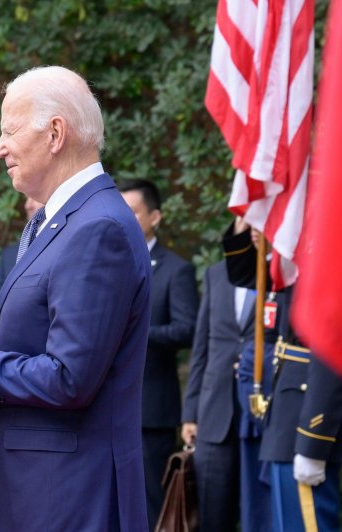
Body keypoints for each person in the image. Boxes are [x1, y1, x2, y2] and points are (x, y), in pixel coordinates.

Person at [0, 65, 151, 531]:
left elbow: (69, 378)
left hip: (66, 498)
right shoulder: (67, 221)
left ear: (55, 133)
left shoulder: (98, 229)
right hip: (41, 492)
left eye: (8, 131)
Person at [224, 218, 342, 532]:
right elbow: (245, 273)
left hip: (306, 418)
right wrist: (246, 223)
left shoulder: (326, 260)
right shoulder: (292, 265)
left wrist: (312, 441)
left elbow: (329, 351)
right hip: (285, 417)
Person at [118, 178, 198, 530]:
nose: (124, 218)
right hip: (104, 404)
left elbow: (187, 329)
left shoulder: (175, 269)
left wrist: (138, 334)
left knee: (150, 503)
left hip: (151, 408)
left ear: (155, 217)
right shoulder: (107, 260)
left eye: (132, 212)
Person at [181, 242, 277, 530]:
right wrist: (190, 413)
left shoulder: (280, 275)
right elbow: (201, 347)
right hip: (214, 412)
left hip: (262, 412)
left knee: (260, 512)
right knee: (212, 513)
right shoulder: (216, 273)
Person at [0, 195, 44, 327]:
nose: (28, 205)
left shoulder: (63, 247)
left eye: (34, 198)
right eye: (26, 199)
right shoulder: (9, 254)